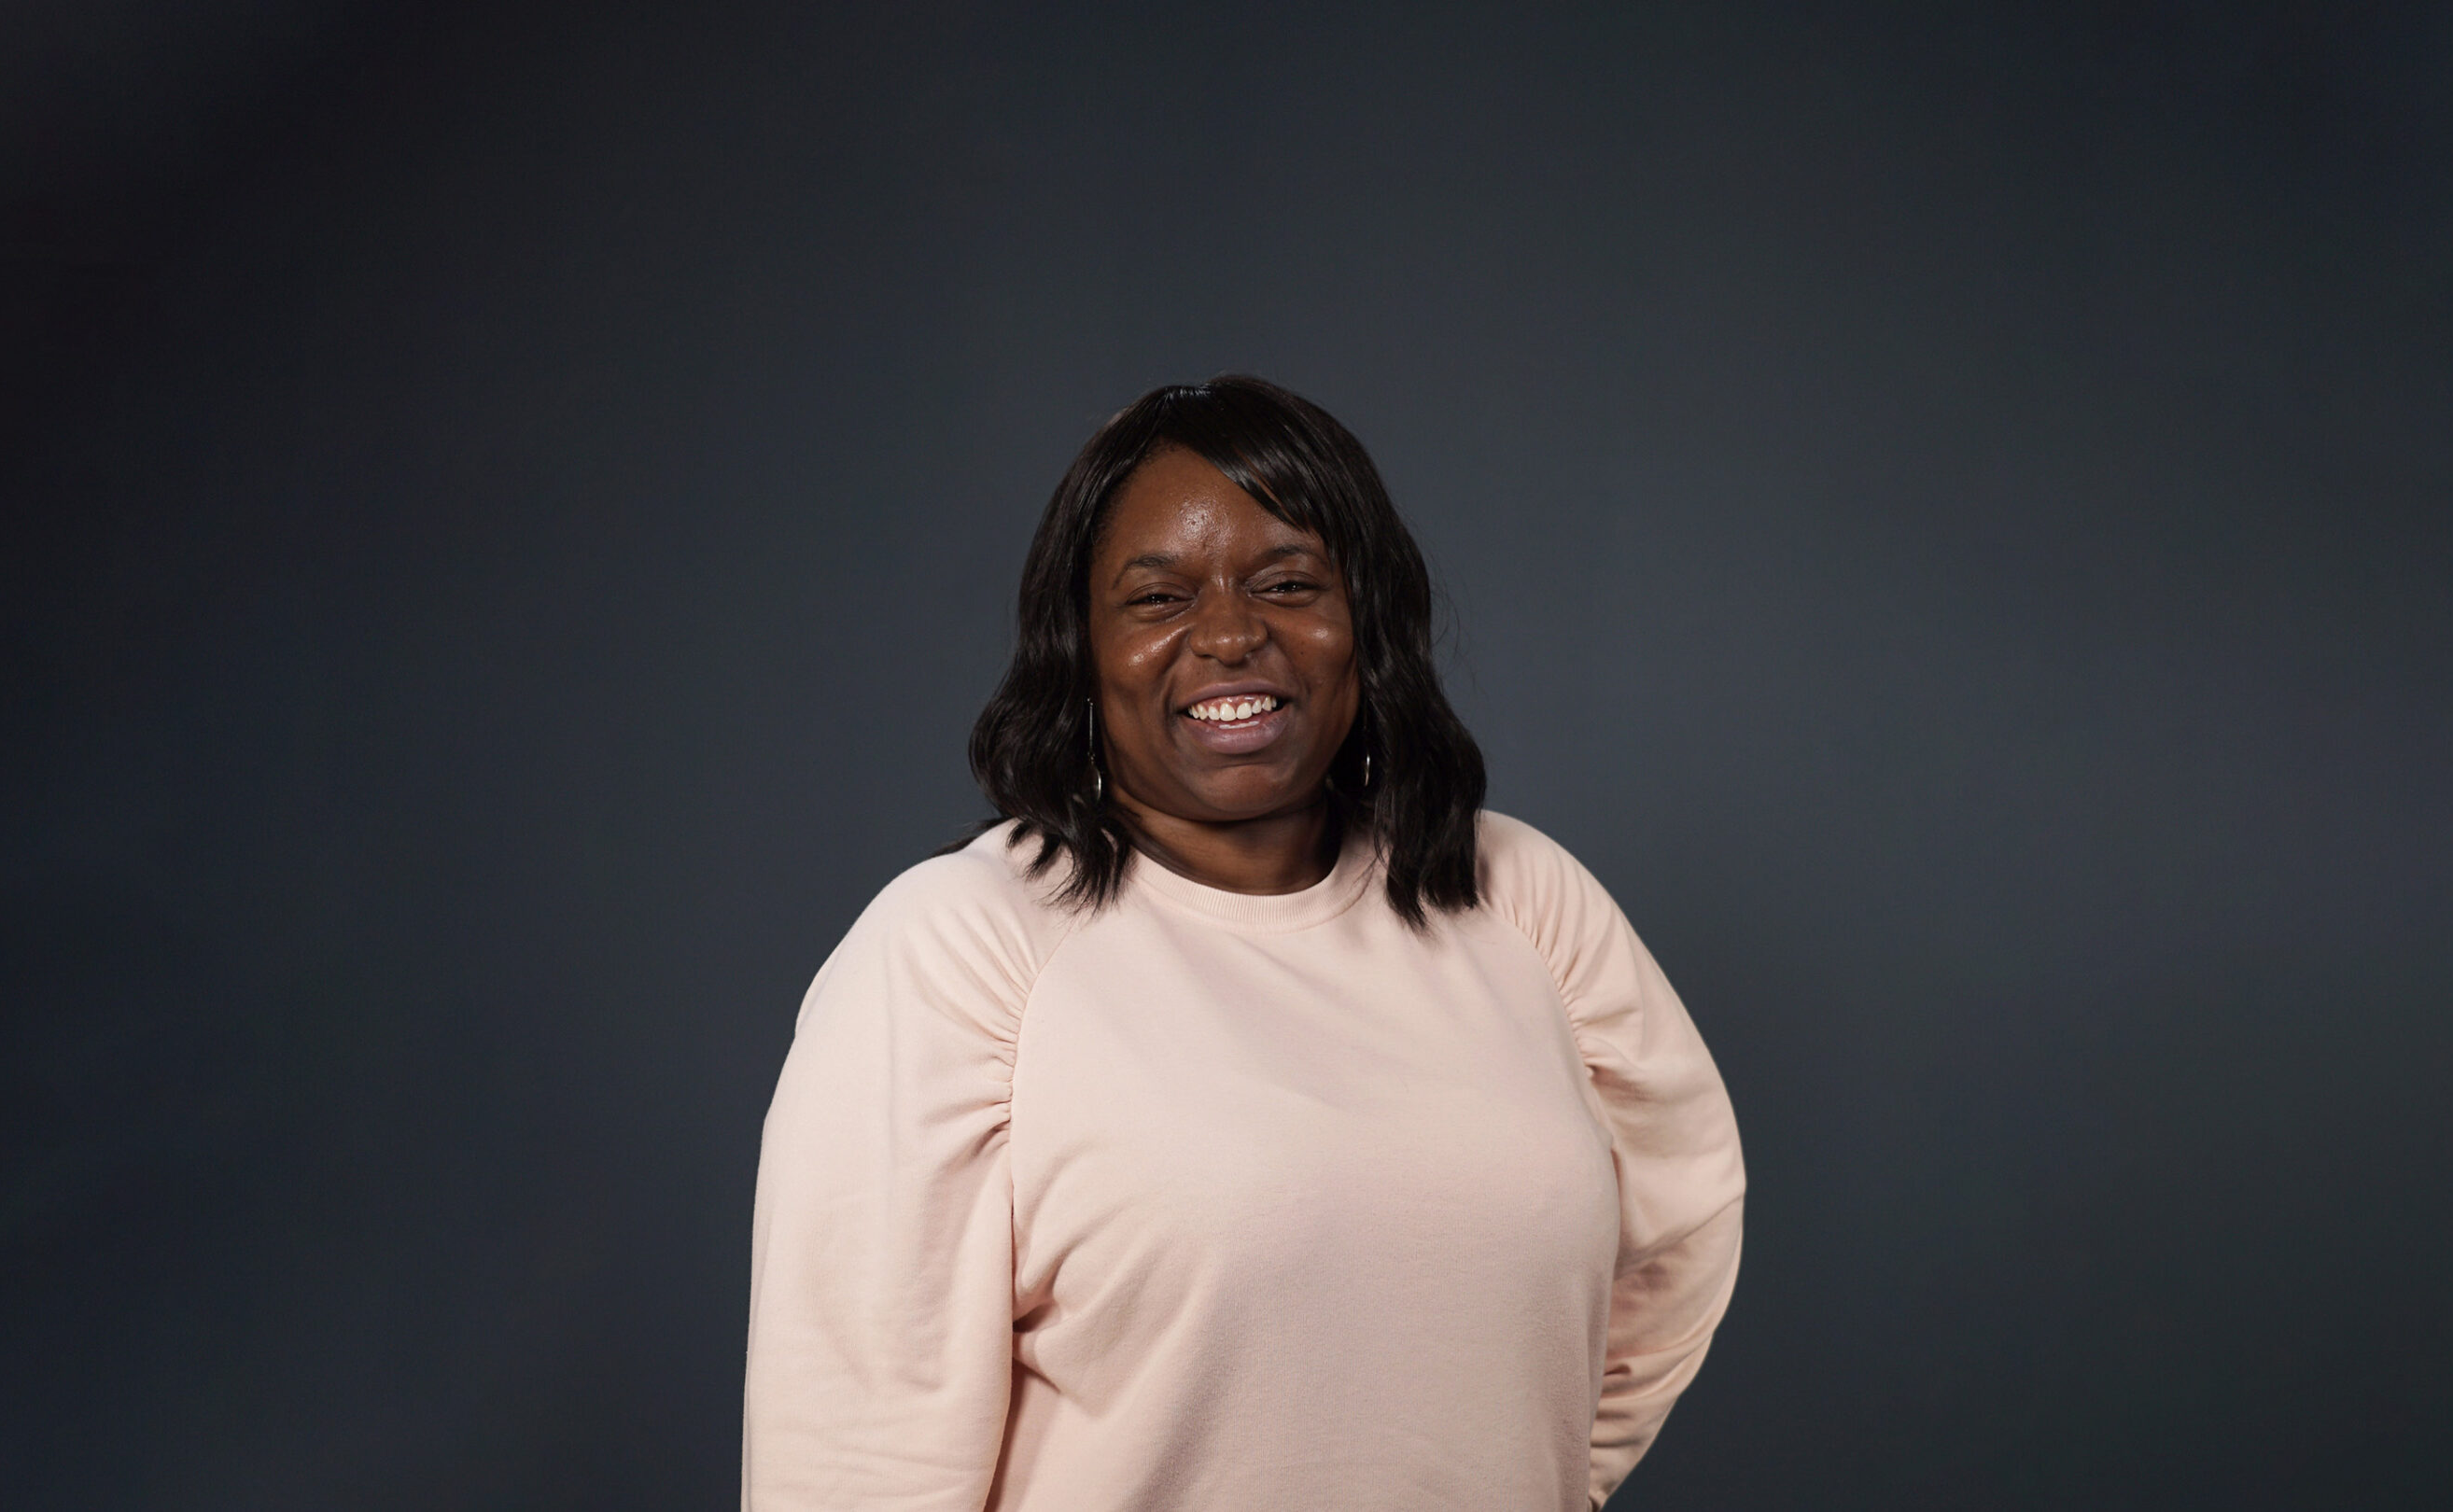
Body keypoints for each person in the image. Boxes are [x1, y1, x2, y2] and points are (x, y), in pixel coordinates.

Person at [743, 376, 1745, 1511]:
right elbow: (847, 1455)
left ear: (1366, 619)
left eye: (1288, 584)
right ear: (1082, 649)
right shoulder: (958, 950)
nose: (1229, 634)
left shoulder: (1518, 895)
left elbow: (1681, 1235)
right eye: (1158, 598)